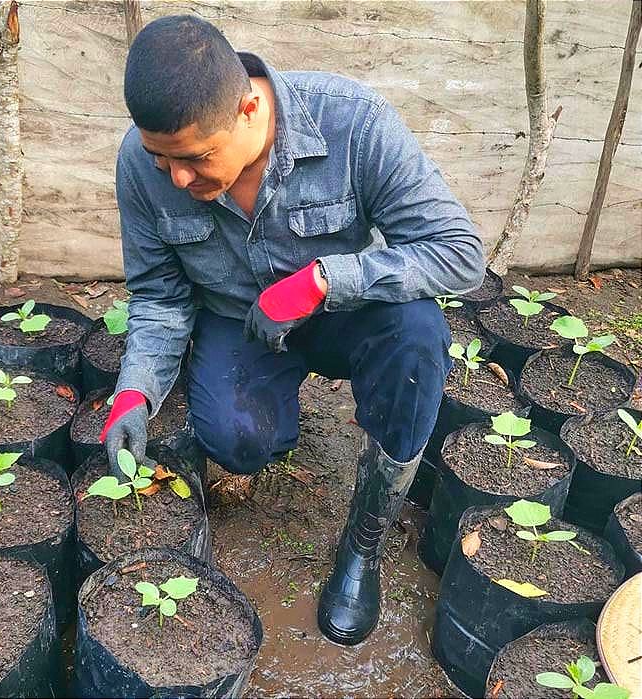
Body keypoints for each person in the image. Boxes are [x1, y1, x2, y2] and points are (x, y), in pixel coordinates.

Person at [100, 14, 484, 646]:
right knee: (236, 438)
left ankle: (365, 540)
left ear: (250, 107)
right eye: (160, 159)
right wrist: (135, 392)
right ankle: (271, 417)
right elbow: (158, 297)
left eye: (195, 159)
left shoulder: (353, 123)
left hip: (339, 315)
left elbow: (458, 251)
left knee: (416, 336)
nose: (177, 179)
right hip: (239, 322)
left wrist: (322, 282)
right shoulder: (140, 166)